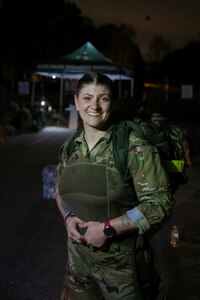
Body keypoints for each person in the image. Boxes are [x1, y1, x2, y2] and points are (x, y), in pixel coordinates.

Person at [56, 72, 174, 300]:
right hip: (78, 266)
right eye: (87, 97)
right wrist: (68, 218)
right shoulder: (70, 146)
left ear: (113, 102)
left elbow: (159, 205)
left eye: (104, 98)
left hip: (123, 272)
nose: (95, 106)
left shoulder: (133, 147)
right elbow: (58, 190)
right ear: (76, 101)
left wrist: (106, 229)